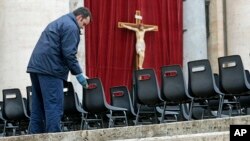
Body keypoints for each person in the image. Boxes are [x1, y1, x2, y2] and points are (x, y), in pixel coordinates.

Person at [26, 7, 92, 134]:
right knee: (53, 106)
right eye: (83, 24)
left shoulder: (59, 22)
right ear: (79, 18)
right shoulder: (71, 27)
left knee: (37, 108)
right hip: (51, 70)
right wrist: (79, 73)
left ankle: (33, 137)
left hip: (36, 67)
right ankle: (54, 137)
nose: (82, 28)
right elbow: (69, 54)